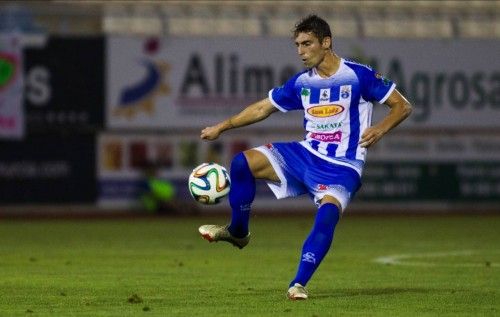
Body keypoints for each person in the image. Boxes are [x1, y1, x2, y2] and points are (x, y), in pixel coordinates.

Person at [198, 14, 412, 300]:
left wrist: (381, 129)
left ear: (326, 42)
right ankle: (238, 231)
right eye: (297, 45)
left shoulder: (358, 75)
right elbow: (263, 108)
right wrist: (221, 127)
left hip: (343, 166)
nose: (300, 51)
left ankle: (298, 283)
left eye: (307, 43)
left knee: (327, 215)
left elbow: (402, 106)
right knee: (242, 162)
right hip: (306, 154)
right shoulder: (301, 83)